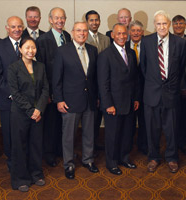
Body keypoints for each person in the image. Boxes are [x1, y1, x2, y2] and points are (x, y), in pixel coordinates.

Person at [140, 10, 186, 173]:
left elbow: (181, 69)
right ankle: (153, 157)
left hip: (171, 93)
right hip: (151, 93)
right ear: (154, 25)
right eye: (158, 23)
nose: (162, 26)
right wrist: (155, 83)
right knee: (152, 129)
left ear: (169, 25)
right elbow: (144, 68)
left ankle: (172, 158)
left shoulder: (180, 43)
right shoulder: (146, 42)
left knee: (172, 128)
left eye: (164, 23)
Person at [53, 22, 99, 179]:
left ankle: (88, 160)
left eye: (85, 31)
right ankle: (69, 164)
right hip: (70, 101)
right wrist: (59, 100)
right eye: (78, 30)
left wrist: (97, 97)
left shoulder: (93, 50)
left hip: (90, 100)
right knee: (68, 135)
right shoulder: (62, 51)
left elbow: (94, 78)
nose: (82, 33)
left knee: (89, 133)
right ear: (72, 32)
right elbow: (56, 78)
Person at [98, 23, 140, 175]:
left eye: (124, 34)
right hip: (113, 104)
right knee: (112, 135)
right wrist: (108, 104)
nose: (122, 36)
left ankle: (124, 158)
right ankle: (112, 162)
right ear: (112, 35)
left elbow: (134, 79)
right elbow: (103, 83)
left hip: (129, 102)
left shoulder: (130, 53)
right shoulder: (105, 55)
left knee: (127, 133)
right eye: (119, 34)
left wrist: (135, 98)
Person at [8, 37, 49, 192]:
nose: (30, 51)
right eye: (27, 48)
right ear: (20, 49)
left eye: (33, 48)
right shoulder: (13, 67)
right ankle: (20, 178)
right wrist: (30, 110)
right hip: (20, 113)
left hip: (38, 113)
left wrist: (39, 109)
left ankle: (36, 174)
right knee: (20, 146)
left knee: (36, 145)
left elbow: (46, 89)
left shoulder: (41, 66)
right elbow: (15, 92)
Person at [35, 7, 71, 167]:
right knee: (50, 124)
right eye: (56, 18)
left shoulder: (68, 36)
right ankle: (49, 154)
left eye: (62, 18)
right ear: (50, 20)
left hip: (66, 89)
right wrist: (47, 92)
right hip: (50, 91)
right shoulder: (42, 40)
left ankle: (59, 150)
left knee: (63, 123)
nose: (60, 21)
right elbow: (40, 68)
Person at [0, 16, 24, 170]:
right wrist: (13, 94)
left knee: (25, 132)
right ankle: (12, 162)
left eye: (19, 26)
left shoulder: (28, 44)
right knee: (9, 134)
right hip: (7, 99)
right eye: (13, 27)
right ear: (7, 28)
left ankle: (26, 161)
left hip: (28, 100)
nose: (16, 29)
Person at [85, 10, 111, 151]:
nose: (94, 23)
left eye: (96, 20)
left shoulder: (106, 39)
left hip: (105, 82)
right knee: (92, 119)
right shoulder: (82, 37)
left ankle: (99, 143)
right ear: (87, 22)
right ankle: (91, 147)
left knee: (103, 116)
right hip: (90, 83)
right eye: (91, 20)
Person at [127, 20, 147, 155]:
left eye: (138, 30)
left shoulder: (148, 45)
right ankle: (128, 145)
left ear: (142, 32)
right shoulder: (123, 46)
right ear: (129, 32)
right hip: (129, 91)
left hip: (146, 89)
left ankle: (143, 145)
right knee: (129, 121)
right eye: (133, 30)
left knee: (145, 120)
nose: (135, 33)